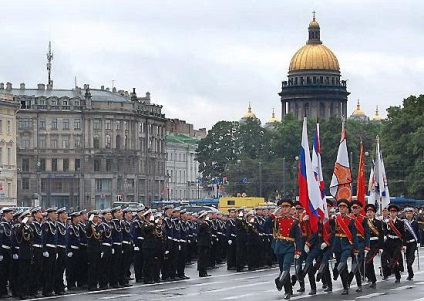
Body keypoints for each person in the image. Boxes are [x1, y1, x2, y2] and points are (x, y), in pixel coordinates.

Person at [266, 198, 301, 300]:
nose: (285, 209)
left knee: (286, 267)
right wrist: (273, 214)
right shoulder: (277, 220)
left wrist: (298, 250)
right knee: (282, 270)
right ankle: (288, 290)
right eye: (283, 207)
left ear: (291, 208)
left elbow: (298, 237)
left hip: (289, 246)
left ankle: (280, 283)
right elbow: (265, 225)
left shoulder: (295, 221)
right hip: (279, 246)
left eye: (287, 207)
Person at [331, 199, 358, 295]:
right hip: (338, 243)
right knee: (343, 268)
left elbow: (354, 235)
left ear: (347, 209)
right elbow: (331, 230)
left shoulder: (351, 221)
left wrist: (356, 248)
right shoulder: (335, 219)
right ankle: (345, 286)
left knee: (342, 261)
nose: (341, 209)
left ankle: (336, 270)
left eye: (343, 207)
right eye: (340, 207)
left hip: (347, 244)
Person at [383, 204, 404, 283]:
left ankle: (389, 270)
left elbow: (403, 234)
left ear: (397, 213)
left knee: (395, 257)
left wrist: (404, 244)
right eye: (391, 212)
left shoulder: (400, 222)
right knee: (389, 258)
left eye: (394, 212)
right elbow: (384, 231)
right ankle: (396, 275)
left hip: (397, 241)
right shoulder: (387, 222)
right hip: (389, 241)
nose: (392, 213)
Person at [364, 204, 384, 288]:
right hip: (367, 244)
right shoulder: (364, 222)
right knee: (369, 263)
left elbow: (381, 235)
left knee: (368, 260)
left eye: (371, 212)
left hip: (375, 244)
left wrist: (381, 247)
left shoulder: (378, 222)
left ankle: (372, 279)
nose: (369, 214)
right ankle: (372, 279)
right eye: (368, 212)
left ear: (374, 213)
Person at [0, 207, 14, 298]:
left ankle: (5, 290)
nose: (12, 215)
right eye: (10, 213)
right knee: (2, 272)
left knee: (8, 272)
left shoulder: (9, 225)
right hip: (3, 250)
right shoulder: (2, 225)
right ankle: (2, 291)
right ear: (5, 214)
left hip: (9, 250)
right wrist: (0, 253)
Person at [403, 207, 420, 280]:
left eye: (410, 213)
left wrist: (418, 242)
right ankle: (410, 273)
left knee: (411, 257)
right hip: (406, 243)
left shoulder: (415, 223)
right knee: (406, 258)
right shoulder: (403, 222)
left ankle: (410, 267)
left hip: (413, 242)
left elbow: (417, 233)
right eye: (407, 213)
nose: (408, 215)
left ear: (412, 214)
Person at [197, 211, 212, 277]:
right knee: (202, 258)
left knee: (205, 258)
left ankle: (204, 271)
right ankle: (202, 272)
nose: (207, 217)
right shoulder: (202, 224)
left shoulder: (205, 223)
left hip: (206, 243)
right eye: (206, 216)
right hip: (202, 243)